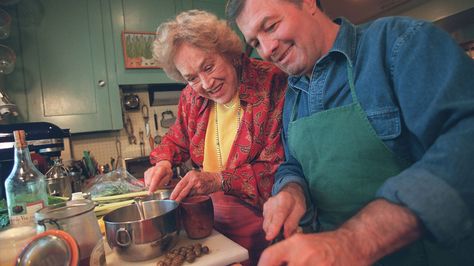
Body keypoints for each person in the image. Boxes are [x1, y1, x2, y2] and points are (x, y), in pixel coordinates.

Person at [226, 0, 474, 265]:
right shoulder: (293, 93)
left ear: (308, 3)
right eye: (255, 43)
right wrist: (291, 191)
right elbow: (293, 164)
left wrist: (354, 240)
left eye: (271, 26)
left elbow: (465, 140)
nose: (267, 49)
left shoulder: (400, 43)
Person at [144, 10, 288, 265]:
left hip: (265, 227)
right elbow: (177, 138)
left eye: (208, 67)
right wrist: (164, 162)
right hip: (211, 227)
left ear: (228, 52)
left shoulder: (271, 83)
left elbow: (277, 170)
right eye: (191, 78)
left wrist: (219, 180)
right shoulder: (192, 97)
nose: (206, 84)